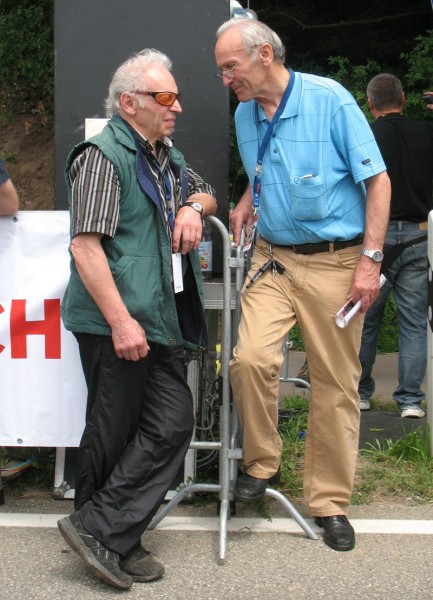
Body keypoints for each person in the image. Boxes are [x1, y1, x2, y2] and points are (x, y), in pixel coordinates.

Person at [215, 19, 390, 552]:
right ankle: (263, 464)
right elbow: (266, 166)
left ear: (264, 54)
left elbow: (377, 181)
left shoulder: (330, 100)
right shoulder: (246, 112)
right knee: (248, 360)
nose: (225, 79)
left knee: (336, 385)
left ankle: (330, 502)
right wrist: (248, 197)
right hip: (273, 259)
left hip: (338, 264)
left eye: (231, 66)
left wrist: (370, 261)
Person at [57, 48, 217, 590]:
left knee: (172, 423)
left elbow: (207, 190)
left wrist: (194, 208)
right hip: (116, 321)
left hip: (157, 319)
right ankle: (111, 540)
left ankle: (102, 529)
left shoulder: (164, 155)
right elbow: (85, 248)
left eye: (176, 96)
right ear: (129, 103)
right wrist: (122, 322)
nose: (177, 106)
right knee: (112, 432)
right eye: (164, 96)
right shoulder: (103, 157)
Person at [358, 74, 433, 417]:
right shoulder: (427, 132)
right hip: (420, 236)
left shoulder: (366, 137)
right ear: (404, 98)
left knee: (365, 319)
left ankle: (360, 392)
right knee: (414, 322)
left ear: (371, 104)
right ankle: (410, 401)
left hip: (377, 239)